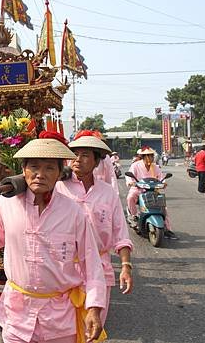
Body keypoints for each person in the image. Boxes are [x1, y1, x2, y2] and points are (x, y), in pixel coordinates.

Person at [0, 132, 107, 343]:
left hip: (59, 318)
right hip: (17, 313)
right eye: (34, 167)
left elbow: (92, 263)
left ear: (59, 173)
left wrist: (94, 308)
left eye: (49, 168)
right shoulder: (7, 204)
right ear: (24, 170)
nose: (40, 174)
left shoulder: (73, 212)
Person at [55, 132, 133, 327]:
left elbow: (121, 234)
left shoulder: (108, 194)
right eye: (74, 154)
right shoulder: (57, 187)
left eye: (84, 155)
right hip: (64, 270)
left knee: (93, 328)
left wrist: (125, 267)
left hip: (100, 270)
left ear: (97, 161)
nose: (77, 160)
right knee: (64, 330)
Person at [126, 147, 177, 239]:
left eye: (152, 155)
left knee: (163, 207)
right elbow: (130, 176)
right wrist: (131, 182)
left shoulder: (155, 167)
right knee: (130, 197)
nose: (151, 157)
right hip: (138, 189)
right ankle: (134, 216)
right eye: (148, 155)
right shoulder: (135, 165)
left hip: (153, 190)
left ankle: (168, 229)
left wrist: (164, 182)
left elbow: (161, 177)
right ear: (143, 156)